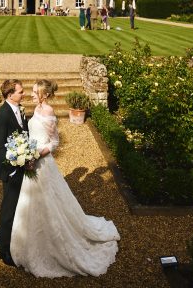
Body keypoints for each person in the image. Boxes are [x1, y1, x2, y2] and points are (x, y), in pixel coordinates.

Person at [10, 79, 120, 277]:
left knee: (49, 203)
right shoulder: (36, 108)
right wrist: (24, 151)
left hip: (42, 164)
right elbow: (33, 134)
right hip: (31, 163)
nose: (32, 94)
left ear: (44, 94)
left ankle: (55, 246)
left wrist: (36, 155)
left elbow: (54, 142)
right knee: (31, 203)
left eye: (35, 91)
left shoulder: (49, 111)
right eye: (33, 91)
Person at [0, 79, 28, 267]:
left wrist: (28, 155)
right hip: (11, 171)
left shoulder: (20, 110)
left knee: (21, 207)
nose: (24, 94)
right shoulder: (2, 115)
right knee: (9, 209)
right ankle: (3, 249)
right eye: (20, 92)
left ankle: (18, 241)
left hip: (23, 166)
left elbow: (24, 135)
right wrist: (14, 166)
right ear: (10, 95)